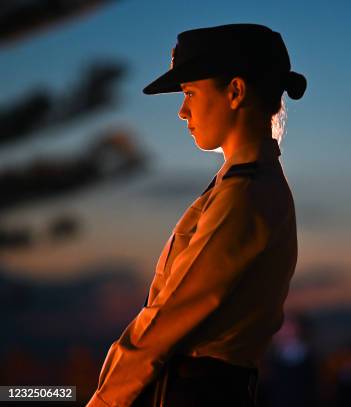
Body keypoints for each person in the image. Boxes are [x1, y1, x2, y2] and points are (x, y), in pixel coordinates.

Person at [86, 23, 307, 406]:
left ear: (235, 91)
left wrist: (105, 402)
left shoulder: (245, 194)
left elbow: (165, 322)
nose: (182, 110)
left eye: (190, 92)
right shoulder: (248, 185)